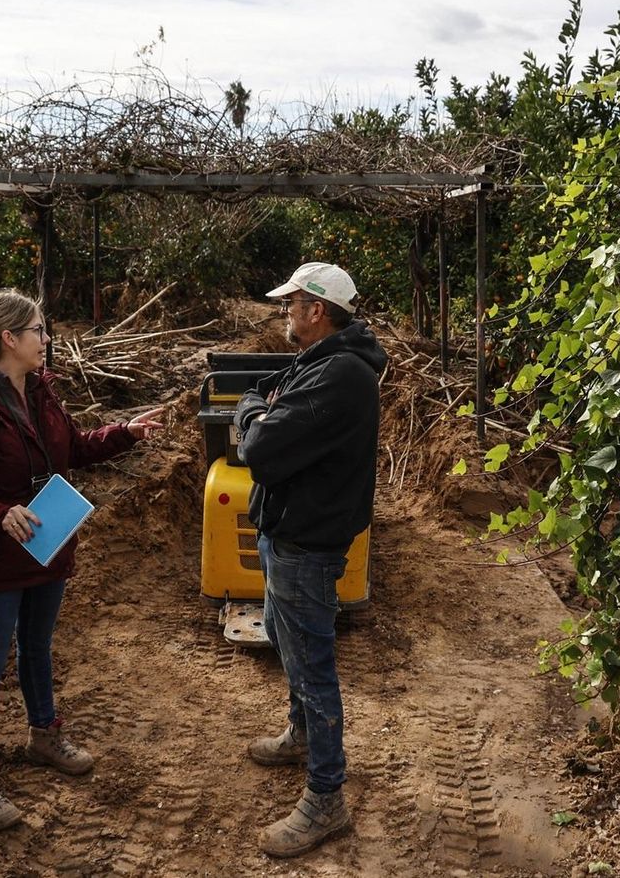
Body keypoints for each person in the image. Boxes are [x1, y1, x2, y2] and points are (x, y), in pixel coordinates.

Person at [0, 288, 164, 831]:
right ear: (9, 338)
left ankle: (44, 736)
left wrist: (123, 434)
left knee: (37, 647)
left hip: (50, 544)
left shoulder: (40, 391)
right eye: (39, 331)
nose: (47, 341)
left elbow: (72, 448)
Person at [233, 262, 386, 857]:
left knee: (313, 668)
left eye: (290, 304)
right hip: (287, 533)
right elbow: (262, 405)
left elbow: (260, 448)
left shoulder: (341, 374)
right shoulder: (321, 362)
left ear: (316, 310)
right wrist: (259, 409)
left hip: (307, 544)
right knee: (283, 636)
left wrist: (253, 417)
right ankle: (300, 736)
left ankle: (326, 797)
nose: (284, 313)